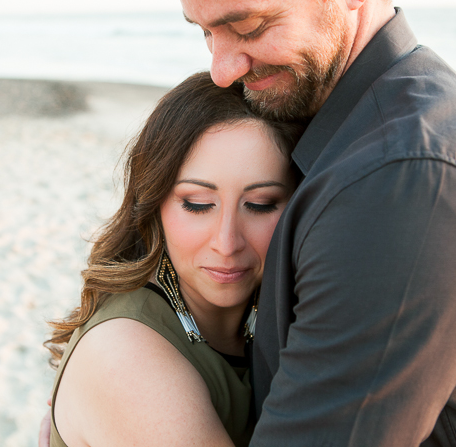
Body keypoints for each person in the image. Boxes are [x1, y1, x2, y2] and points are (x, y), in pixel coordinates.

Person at [170, 0, 456, 445]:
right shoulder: (348, 132)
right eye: (206, 33)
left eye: (248, 26)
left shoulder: (403, 184)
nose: (222, 70)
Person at [43, 72, 304, 447]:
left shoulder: (280, 312)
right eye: (198, 205)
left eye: (260, 205)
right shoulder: (125, 357)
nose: (226, 242)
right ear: (154, 204)